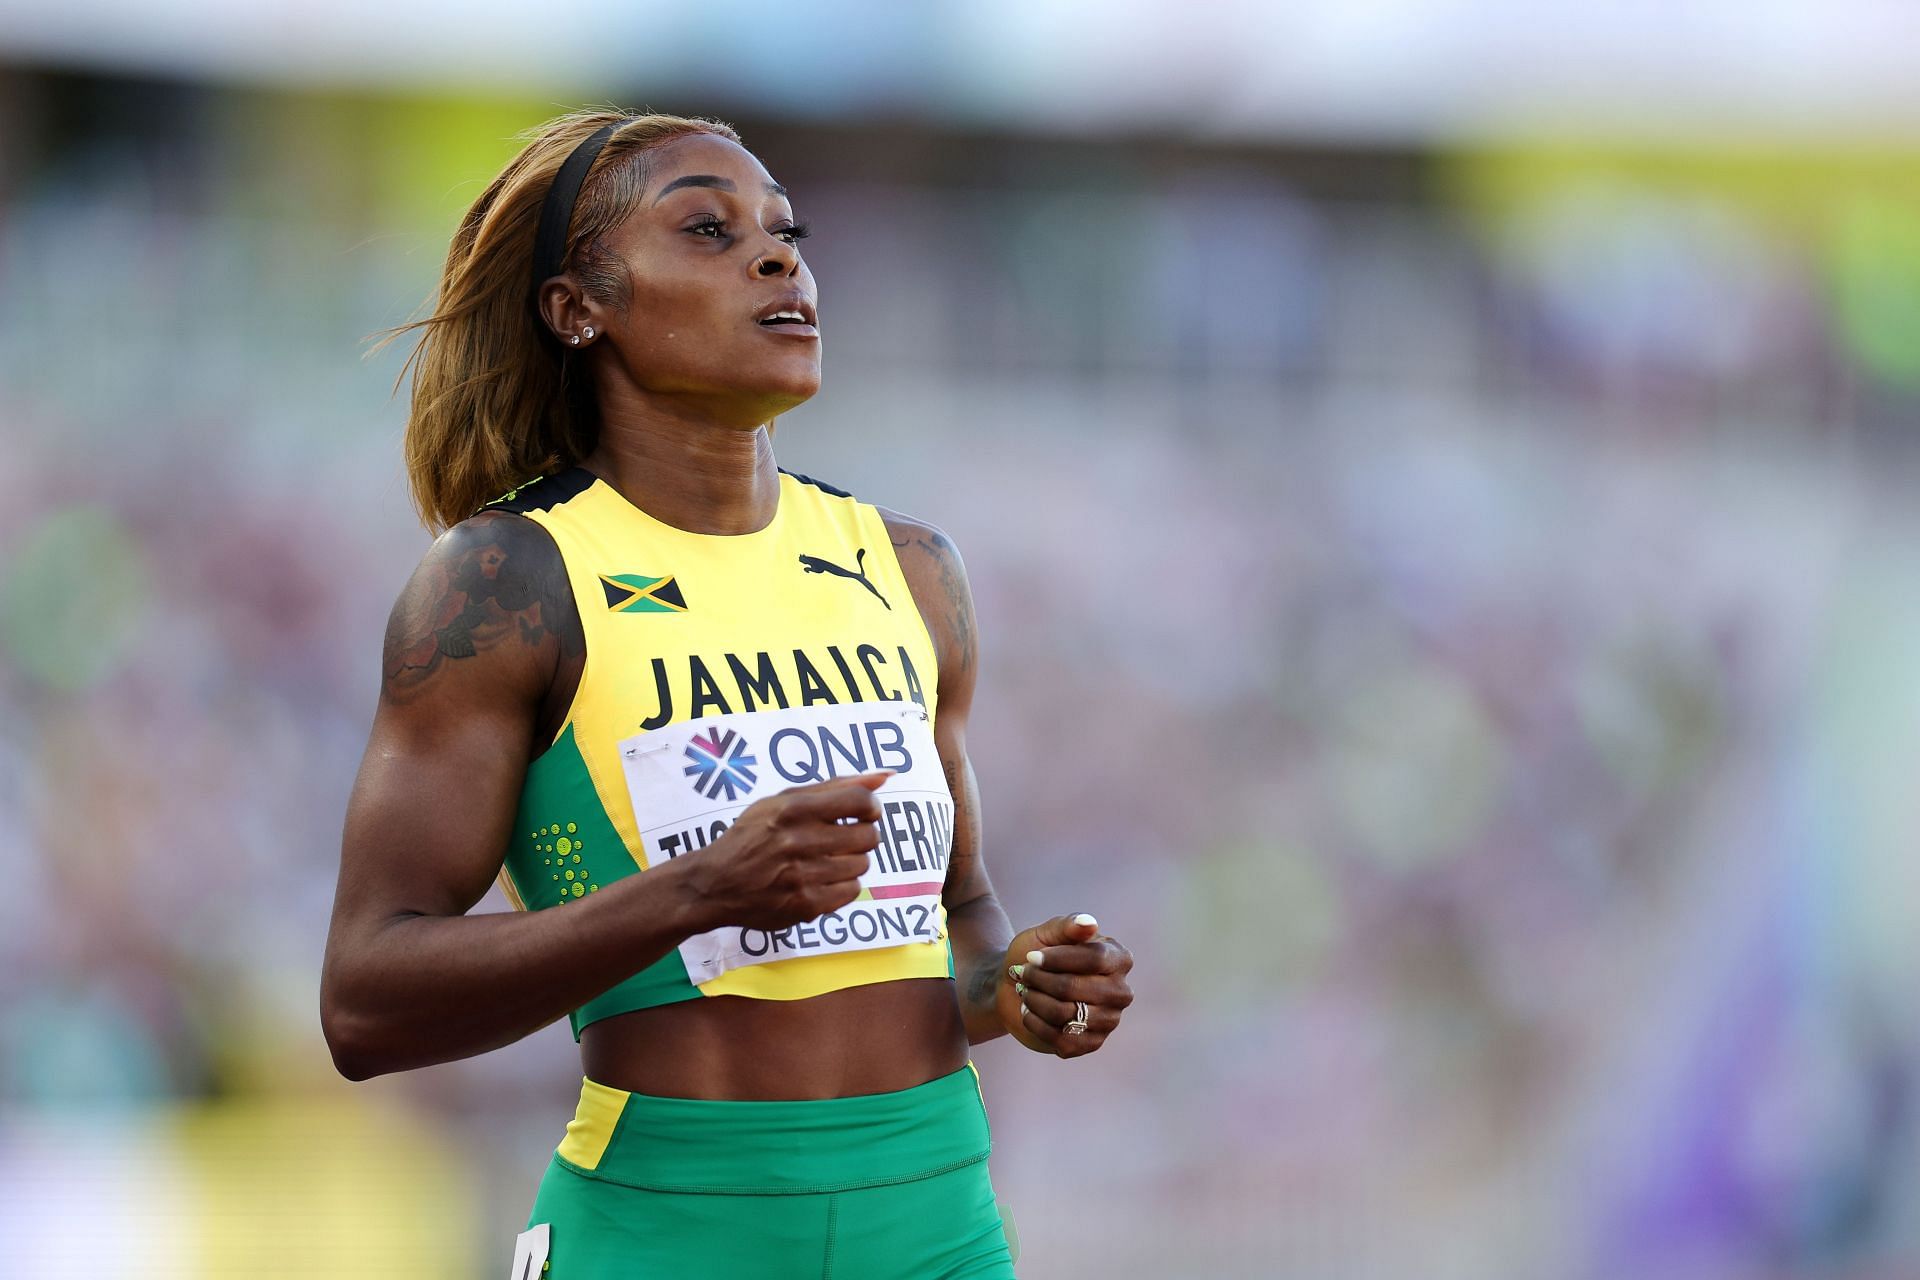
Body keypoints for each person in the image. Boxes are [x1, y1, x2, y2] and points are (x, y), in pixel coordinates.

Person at [319, 109, 1135, 1278]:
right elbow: (364, 1004)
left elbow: (958, 925)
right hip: (669, 1227)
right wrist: (698, 891)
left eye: (785, 230)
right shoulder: (506, 582)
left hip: (939, 1223)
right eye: (707, 229)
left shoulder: (910, 570)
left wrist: (1020, 985)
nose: (779, 257)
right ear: (577, 307)